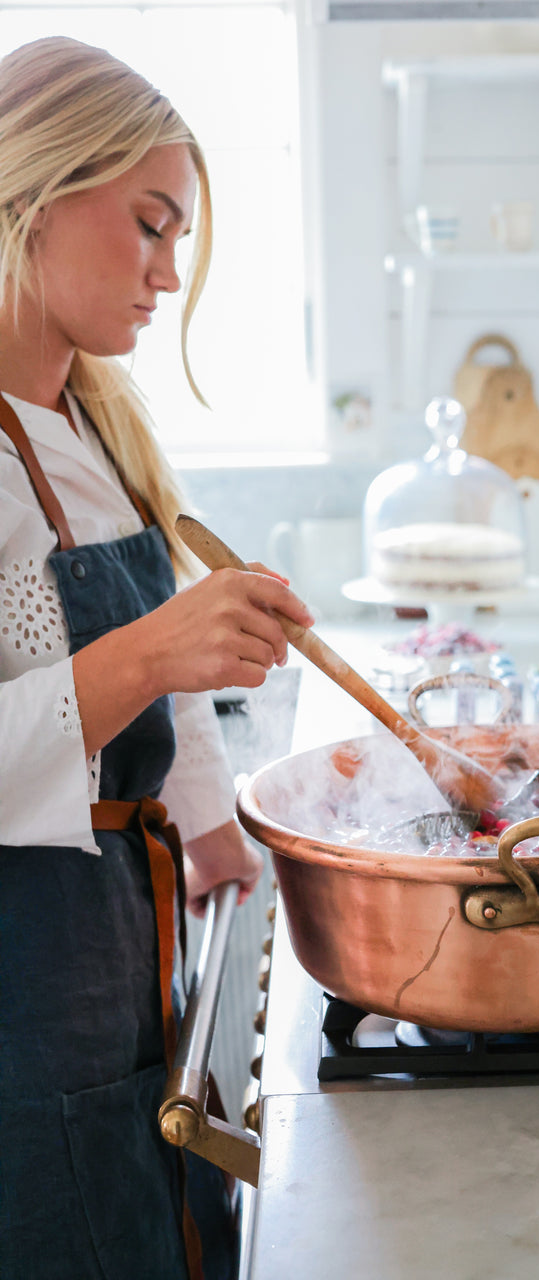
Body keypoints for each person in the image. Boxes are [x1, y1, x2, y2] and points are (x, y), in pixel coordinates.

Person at [0, 35, 314, 1280]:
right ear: (32, 190)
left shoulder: (90, 418)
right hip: (26, 992)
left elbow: (159, 700)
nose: (168, 273)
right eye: (149, 224)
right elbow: (128, 667)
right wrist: (151, 649)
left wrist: (220, 840)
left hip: (126, 951)